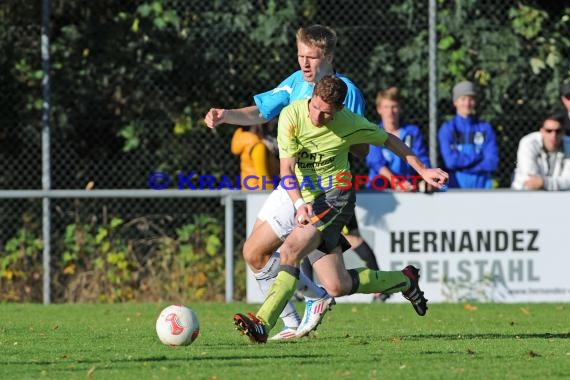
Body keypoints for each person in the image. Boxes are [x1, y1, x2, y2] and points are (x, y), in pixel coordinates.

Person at [233, 75, 449, 343]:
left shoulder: (350, 122)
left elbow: (390, 141)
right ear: (310, 99)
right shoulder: (291, 115)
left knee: (289, 251)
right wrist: (300, 204)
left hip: (336, 197)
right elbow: (286, 170)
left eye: (326, 114)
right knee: (338, 284)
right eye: (315, 108)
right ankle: (404, 280)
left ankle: (263, 322)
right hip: (306, 200)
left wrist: (423, 170)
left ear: (338, 110)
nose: (318, 117)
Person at [204, 25, 378, 340]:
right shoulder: (296, 82)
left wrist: (327, 134)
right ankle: (297, 317)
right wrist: (226, 114)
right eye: (300, 55)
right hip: (292, 186)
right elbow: (261, 111)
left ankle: (306, 305)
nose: (304, 64)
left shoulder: (346, 92)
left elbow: (363, 146)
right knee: (254, 253)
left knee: (330, 277)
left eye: (312, 57)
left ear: (329, 57)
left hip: (325, 192)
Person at [366, 87, 431, 192]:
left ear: (400, 108)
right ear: (379, 109)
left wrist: (427, 177)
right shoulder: (373, 132)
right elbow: (376, 164)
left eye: (394, 107)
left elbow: (422, 157)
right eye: (386, 107)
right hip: (379, 190)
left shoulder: (413, 132)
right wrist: (396, 183)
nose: (390, 111)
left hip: (408, 187)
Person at [437, 80, 499, 188]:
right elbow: (450, 162)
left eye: (471, 99)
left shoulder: (485, 128)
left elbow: (492, 162)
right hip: (455, 186)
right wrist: (478, 157)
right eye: (463, 99)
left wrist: (464, 165)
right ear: (455, 102)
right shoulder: (447, 129)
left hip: (483, 186)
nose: (467, 103)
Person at [511, 112, 570, 190]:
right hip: (524, 193)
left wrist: (543, 182)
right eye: (549, 131)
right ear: (542, 131)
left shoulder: (568, 144)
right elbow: (531, 181)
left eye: (558, 131)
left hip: (558, 194)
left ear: (563, 132)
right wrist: (556, 183)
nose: (553, 135)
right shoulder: (529, 143)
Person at [230, 124, 277, 190]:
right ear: (255, 126)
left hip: (249, 190)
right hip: (260, 192)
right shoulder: (257, 146)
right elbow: (263, 178)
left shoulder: (245, 142)